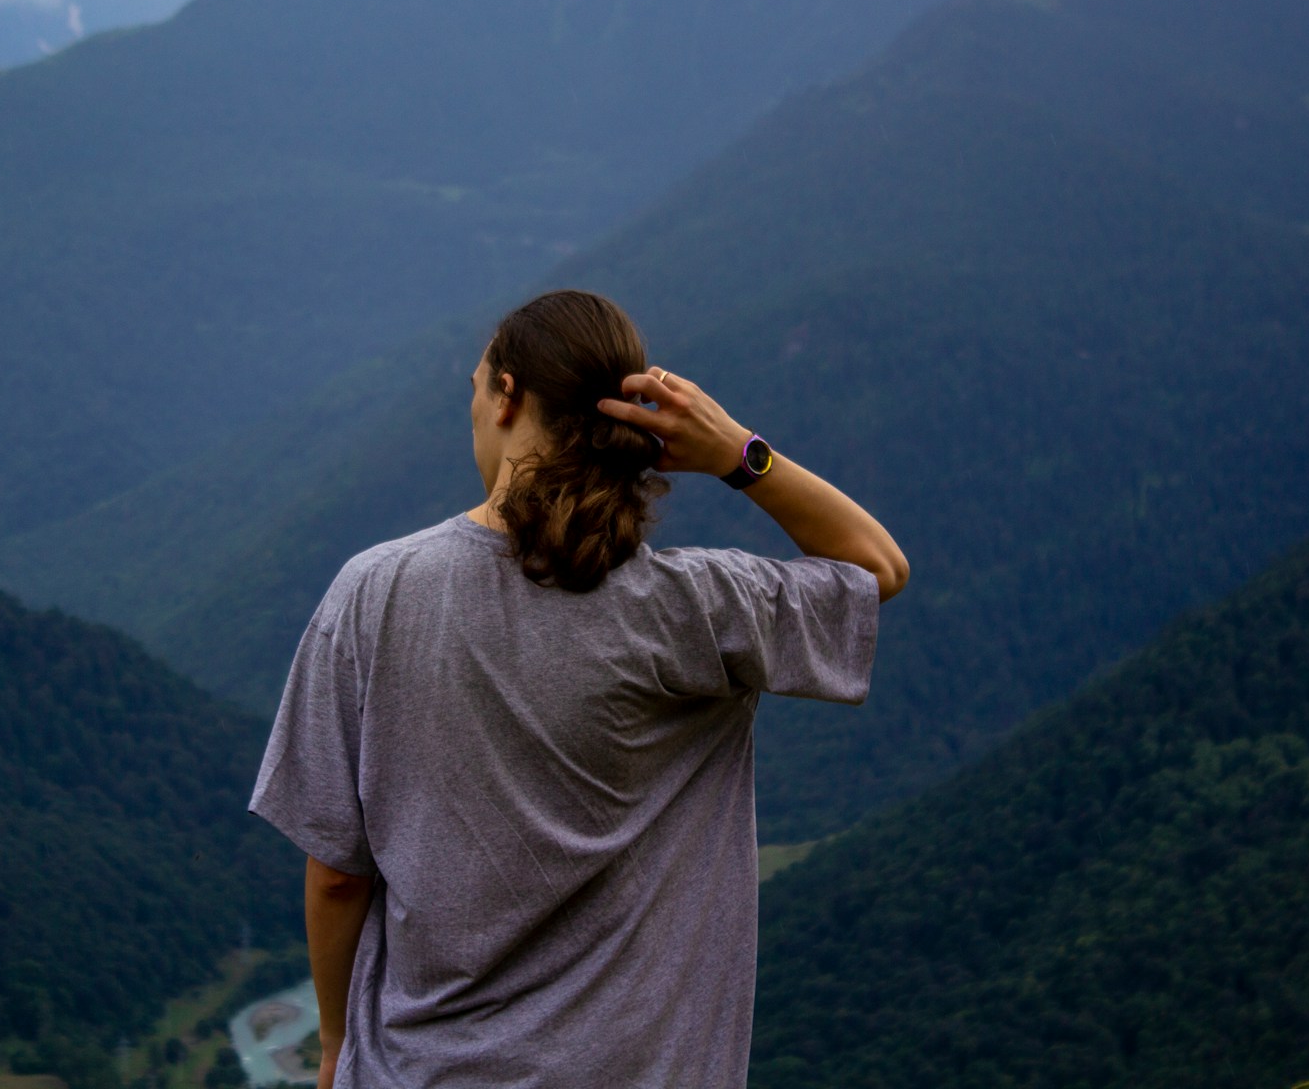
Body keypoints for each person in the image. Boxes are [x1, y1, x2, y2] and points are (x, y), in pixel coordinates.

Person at [249, 289, 908, 1088]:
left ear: (507, 397)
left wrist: (331, 1045)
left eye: (474, 387)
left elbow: (339, 874)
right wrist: (738, 451)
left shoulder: (375, 592)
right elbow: (876, 570)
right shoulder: (696, 609)